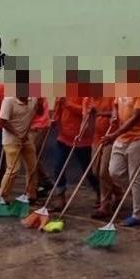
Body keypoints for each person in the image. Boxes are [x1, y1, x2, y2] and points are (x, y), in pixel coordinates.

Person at [104, 58, 140, 227]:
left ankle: (138, 214)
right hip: (121, 138)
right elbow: (115, 104)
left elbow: (136, 117)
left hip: (139, 137)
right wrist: (113, 114)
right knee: (113, 172)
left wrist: (114, 134)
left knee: (135, 176)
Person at [51, 70, 100, 211]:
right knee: (58, 167)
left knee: (88, 169)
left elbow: (85, 111)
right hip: (63, 136)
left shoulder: (85, 94)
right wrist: (55, 119)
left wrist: (68, 104)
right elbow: (58, 107)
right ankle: (60, 197)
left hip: (81, 138)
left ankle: (101, 192)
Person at [0, 71, 43, 203]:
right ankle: (2, 197)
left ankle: (31, 194)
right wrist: (18, 134)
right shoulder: (9, 100)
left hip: (27, 138)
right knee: (13, 169)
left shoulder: (32, 98)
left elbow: (38, 112)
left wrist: (39, 105)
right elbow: (3, 121)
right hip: (11, 140)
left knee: (32, 167)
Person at [85, 82, 119, 219]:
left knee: (104, 171)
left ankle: (105, 205)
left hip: (111, 137)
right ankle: (118, 191)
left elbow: (117, 114)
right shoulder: (90, 99)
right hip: (97, 138)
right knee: (95, 171)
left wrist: (100, 112)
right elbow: (88, 117)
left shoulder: (111, 95)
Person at [30, 96, 55, 195]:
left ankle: (38, 184)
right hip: (28, 127)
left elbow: (40, 112)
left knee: (32, 155)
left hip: (39, 126)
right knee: (31, 156)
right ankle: (43, 181)